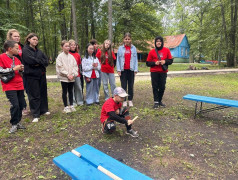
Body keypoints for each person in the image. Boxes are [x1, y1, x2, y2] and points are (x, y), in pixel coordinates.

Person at [22, 33, 50, 122]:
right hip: (31, 75)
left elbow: (46, 61)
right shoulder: (25, 50)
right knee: (34, 94)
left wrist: (38, 62)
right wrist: (39, 62)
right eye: (34, 39)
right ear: (29, 39)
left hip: (41, 74)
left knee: (42, 92)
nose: (35, 41)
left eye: (37, 40)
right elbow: (30, 61)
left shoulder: (39, 51)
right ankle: (36, 114)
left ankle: (44, 110)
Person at [0, 40, 26, 133]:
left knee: (21, 104)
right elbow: (1, 70)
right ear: (10, 49)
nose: (18, 50)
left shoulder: (17, 59)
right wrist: (13, 68)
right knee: (15, 105)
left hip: (19, 84)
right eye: (16, 48)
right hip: (9, 85)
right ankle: (14, 124)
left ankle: (18, 122)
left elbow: (21, 73)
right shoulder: (1, 57)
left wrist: (21, 69)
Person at [146, 36, 173, 109]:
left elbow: (170, 61)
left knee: (162, 87)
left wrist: (165, 61)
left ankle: (160, 100)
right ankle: (156, 102)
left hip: (163, 72)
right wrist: (155, 63)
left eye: (160, 41)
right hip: (154, 72)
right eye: (157, 41)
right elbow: (147, 63)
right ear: (155, 43)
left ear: (162, 42)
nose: (158, 42)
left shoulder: (166, 50)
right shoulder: (152, 51)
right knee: (155, 87)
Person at [6, 29, 29, 115]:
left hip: (24, 70)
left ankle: (24, 106)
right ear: (10, 37)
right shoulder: (8, 47)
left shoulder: (22, 46)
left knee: (25, 88)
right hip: (15, 72)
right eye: (15, 36)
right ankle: (21, 107)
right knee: (19, 90)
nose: (17, 38)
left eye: (18, 36)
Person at [56, 40, 78, 113]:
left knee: (70, 91)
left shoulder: (71, 56)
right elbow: (60, 68)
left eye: (68, 46)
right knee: (64, 91)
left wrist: (73, 74)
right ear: (62, 47)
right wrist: (67, 74)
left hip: (71, 77)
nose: (68, 47)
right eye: (66, 46)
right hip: (64, 78)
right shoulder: (60, 57)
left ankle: (71, 105)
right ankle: (66, 106)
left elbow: (75, 66)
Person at [116, 32, 138, 107]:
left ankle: (130, 100)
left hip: (131, 70)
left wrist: (135, 70)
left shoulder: (134, 48)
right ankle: (124, 100)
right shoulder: (120, 48)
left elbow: (135, 60)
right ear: (123, 40)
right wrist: (118, 70)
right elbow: (118, 60)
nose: (127, 40)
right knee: (124, 86)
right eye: (126, 39)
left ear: (131, 40)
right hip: (123, 70)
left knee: (131, 85)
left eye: (129, 39)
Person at [69, 39, 83, 106]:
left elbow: (79, 65)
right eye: (71, 45)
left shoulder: (77, 54)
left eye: (74, 45)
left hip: (77, 74)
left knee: (78, 87)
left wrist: (80, 73)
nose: (73, 46)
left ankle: (80, 101)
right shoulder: (68, 54)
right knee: (71, 89)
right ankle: (73, 102)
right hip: (70, 74)